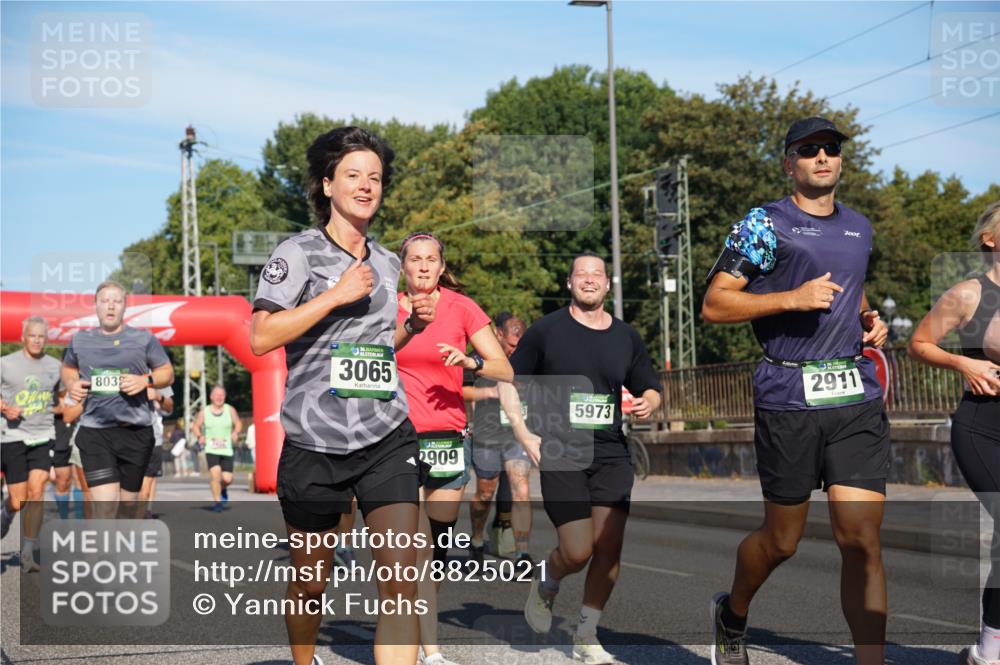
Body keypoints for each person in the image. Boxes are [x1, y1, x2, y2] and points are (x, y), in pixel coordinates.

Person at [701, 117, 891, 665]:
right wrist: (790, 297)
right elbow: (715, 305)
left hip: (853, 393)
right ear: (789, 163)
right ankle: (733, 613)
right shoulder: (763, 225)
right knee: (782, 541)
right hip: (788, 393)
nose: (823, 158)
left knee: (861, 539)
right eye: (809, 151)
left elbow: (849, 292)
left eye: (831, 149)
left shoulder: (859, 227)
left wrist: (868, 319)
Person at [250, 126, 435, 665]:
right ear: (327, 184)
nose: (365, 185)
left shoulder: (389, 263)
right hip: (315, 441)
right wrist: (333, 296)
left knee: (401, 580)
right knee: (311, 583)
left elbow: (377, 347)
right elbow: (261, 336)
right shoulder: (298, 253)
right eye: (353, 175)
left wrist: (414, 328)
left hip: (386, 435)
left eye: (375, 177)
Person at [506, 252, 662, 665]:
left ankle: (587, 633)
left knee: (608, 546)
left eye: (597, 275)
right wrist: (523, 432)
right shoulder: (546, 331)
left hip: (610, 452)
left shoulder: (626, 336)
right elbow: (507, 379)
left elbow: (650, 385)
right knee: (577, 550)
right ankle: (548, 581)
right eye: (582, 274)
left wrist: (649, 401)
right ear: (569, 283)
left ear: (608, 284)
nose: (590, 280)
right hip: (559, 449)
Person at [395, 231, 513, 665]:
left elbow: (505, 368)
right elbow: (369, 352)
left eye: (431, 260)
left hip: (447, 439)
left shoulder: (462, 308)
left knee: (434, 549)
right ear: (403, 267)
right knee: (406, 548)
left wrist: (472, 362)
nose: (423, 266)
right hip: (397, 439)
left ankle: (416, 628)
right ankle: (429, 648)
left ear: (442, 268)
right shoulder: (388, 309)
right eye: (415, 260)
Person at [908, 201, 1000, 665]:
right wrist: (962, 361)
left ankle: (987, 650)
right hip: (983, 427)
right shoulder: (969, 294)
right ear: (990, 238)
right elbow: (919, 343)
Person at [61, 280, 174, 519]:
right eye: (105, 301)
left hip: (135, 432)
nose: (110, 306)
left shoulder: (144, 340)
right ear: (96, 306)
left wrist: (146, 381)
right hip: (96, 432)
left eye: (117, 301)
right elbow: (68, 369)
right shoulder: (80, 341)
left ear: (124, 307)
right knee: (105, 504)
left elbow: (167, 373)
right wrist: (72, 384)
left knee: (129, 504)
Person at [466, 313, 533, 567]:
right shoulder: (478, 357)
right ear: (499, 335)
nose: (515, 350)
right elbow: (458, 389)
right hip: (487, 435)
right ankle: (477, 540)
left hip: (517, 435)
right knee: (485, 492)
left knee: (522, 490)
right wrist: (487, 392)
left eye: (520, 344)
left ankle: (522, 553)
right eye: (512, 344)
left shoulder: (529, 358)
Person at [0, 316, 63, 571]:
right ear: (23, 338)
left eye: (41, 336)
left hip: (43, 436)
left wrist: (69, 406)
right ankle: (5, 516)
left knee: (37, 493)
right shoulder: (6, 364)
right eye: (32, 335)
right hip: (13, 437)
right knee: (19, 501)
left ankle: (27, 553)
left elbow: (64, 396)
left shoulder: (56, 366)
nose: (37, 340)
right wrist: (4, 407)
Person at [192, 385, 241, 512]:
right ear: (211, 397)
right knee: (215, 476)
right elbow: (196, 426)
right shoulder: (205, 411)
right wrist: (199, 436)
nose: (219, 397)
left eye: (222, 395)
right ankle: (218, 502)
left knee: (227, 479)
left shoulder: (230, 409)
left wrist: (235, 432)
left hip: (226, 449)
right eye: (217, 395)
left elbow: (238, 423)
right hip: (211, 449)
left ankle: (223, 488)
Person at [140, 385, 174, 518]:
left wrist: (158, 397)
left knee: (149, 478)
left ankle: (145, 511)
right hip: (123, 436)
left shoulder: (161, 376)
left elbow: (169, 407)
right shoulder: (121, 370)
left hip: (153, 437)